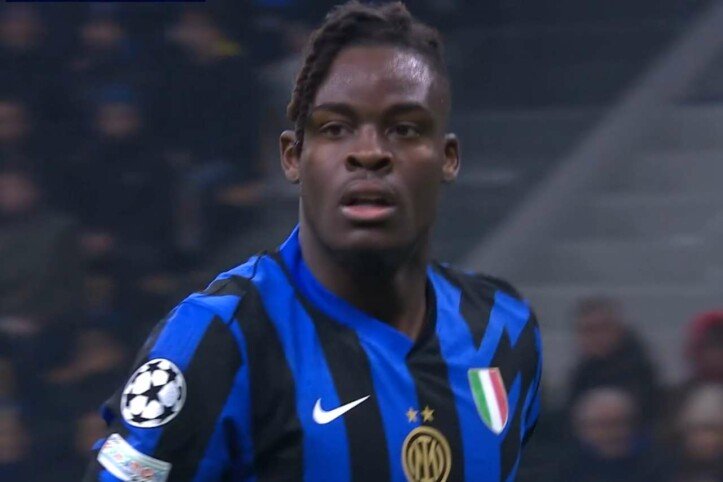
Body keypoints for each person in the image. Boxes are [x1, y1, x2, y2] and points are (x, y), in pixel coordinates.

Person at [84, 2, 542, 481]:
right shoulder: (220, 338)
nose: (370, 153)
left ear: (447, 158)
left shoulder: (504, 330)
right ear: (292, 156)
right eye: (336, 128)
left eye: (404, 128)